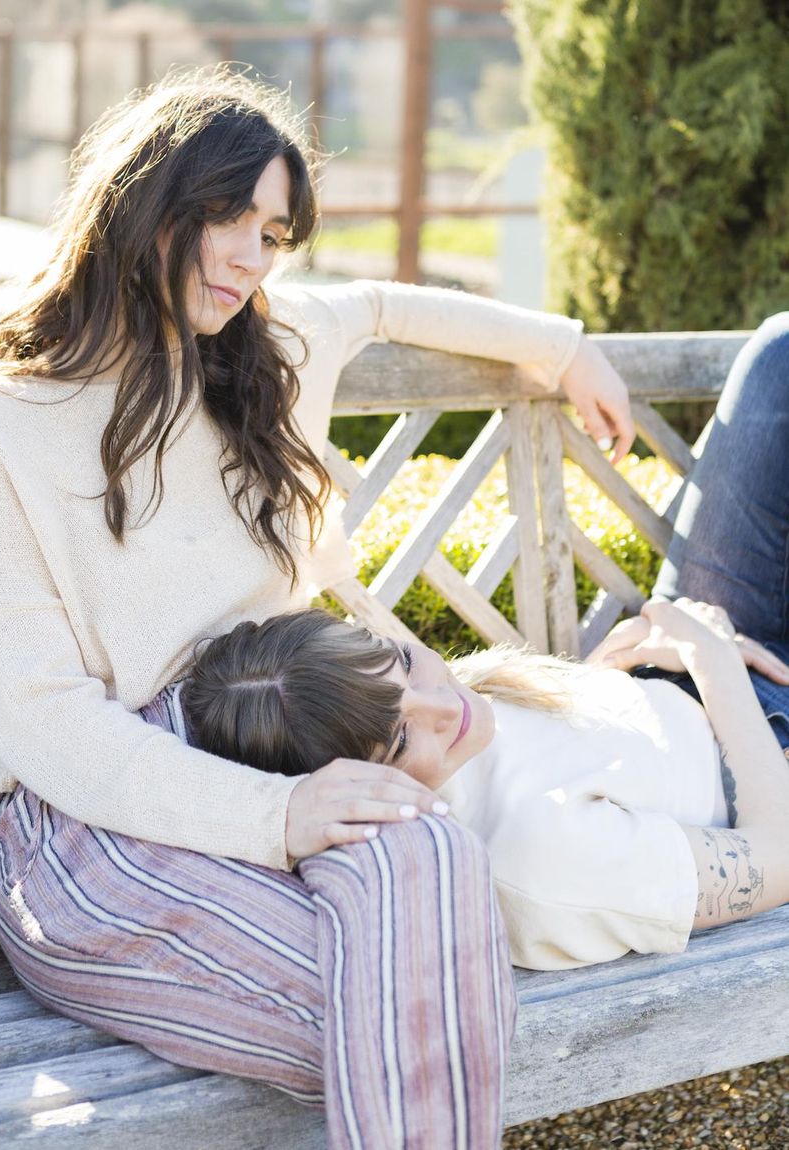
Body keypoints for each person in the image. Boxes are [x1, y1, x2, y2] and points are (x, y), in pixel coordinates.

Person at [0, 66, 635, 1149]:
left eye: (275, 231)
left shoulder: (260, 354)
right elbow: (47, 727)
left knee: (425, 867)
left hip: (270, 749)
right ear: (144, 205)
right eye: (226, 218)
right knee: (414, 1004)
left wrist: (561, 345)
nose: (252, 259)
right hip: (93, 829)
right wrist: (275, 820)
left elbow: (385, 302)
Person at [181, 316, 789, 971]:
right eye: (402, 740)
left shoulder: (450, 730)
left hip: (687, 669)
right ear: (352, 793)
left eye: (406, 665)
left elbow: (561, 761)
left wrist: (616, 675)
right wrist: (713, 659)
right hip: (761, 758)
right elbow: (778, 857)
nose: (447, 707)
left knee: (778, 359)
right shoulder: (543, 863)